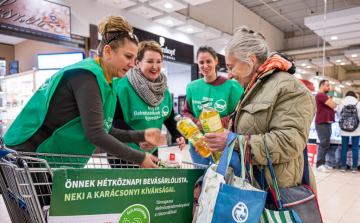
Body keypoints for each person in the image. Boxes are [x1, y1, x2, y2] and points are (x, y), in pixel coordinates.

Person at [3, 15, 162, 169]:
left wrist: (141, 135)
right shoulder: (87, 76)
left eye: (134, 59)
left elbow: (106, 129)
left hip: (46, 158)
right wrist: (139, 157)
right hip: (28, 154)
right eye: (128, 56)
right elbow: (96, 134)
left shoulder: (109, 83)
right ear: (107, 51)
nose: (132, 65)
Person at [204, 26, 317, 193]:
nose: (229, 75)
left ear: (250, 60)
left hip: (277, 193)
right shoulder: (254, 89)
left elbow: (289, 142)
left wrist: (235, 142)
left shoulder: (290, 88)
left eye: (231, 66)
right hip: (253, 189)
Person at [109, 40, 185, 168]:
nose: (155, 66)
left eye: (158, 61)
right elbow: (115, 121)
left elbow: (168, 117)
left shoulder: (163, 89)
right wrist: (139, 140)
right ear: (138, 63)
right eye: (150, 61)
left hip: (150, 150)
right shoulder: (122, 86)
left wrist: (177, 135)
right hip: (124, 152)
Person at [183, 45, 243, 165]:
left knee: (221, 179)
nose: (205, 66)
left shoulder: (232, 86)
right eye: (201, 62)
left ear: (216, 61)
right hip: (197, 145)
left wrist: (211, 124)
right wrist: (197, 123)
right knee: (200, 179)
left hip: (221, 144)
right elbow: (186, 112)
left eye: (208, 61)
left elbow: (237, 114)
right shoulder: (192, 87)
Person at [315, 80, 336, 173]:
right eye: (327, 85)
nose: (329, 87)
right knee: (323, 144)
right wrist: (333, 104)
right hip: (322, 124)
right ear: (322, 86)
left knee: (326, 144)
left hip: (325, 124)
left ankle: (323, 163)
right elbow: (333, 105)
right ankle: (319, 164)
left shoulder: (324, 96)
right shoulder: (321, 95)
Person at [337, 91, 360, 173]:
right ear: (354, 96)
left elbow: (338, 115)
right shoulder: (358, 103)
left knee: (344, 148)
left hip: (344, 130)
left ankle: (343, 167)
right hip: (356, 130)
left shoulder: (342, 103)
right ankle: (354, 168)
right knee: (355, 148)